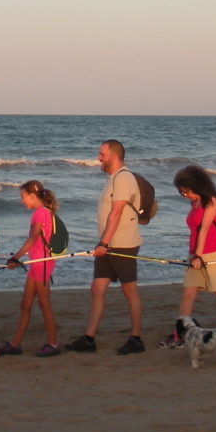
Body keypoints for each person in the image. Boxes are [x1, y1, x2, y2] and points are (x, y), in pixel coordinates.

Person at [66, 139, 145, 355]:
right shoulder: (113, 178)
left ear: (114, 156)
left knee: (130, 291)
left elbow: (117, 212)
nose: (98, 158)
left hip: (122, 245)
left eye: (101, 154)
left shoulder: (124, 177)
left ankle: (136, 338)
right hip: (108, 245)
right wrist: (104, 243)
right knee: (97, 288)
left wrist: (104, 242)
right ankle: (89, 338)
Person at [159, 165, 216, 346]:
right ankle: (179, 334)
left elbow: (204, 230)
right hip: (195, 255)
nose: (185, 196)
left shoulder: (212, 201)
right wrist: (193, 255)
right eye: (181, 193)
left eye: (186, 192)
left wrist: (198, 256)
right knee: (188, 294)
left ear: (197, 186)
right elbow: (194, 232)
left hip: (212, 255)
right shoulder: (194, 203)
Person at [0, 180, 62, 357]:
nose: (22, 201)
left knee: (44, 304)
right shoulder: (41, 213)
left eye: (23, 197)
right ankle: (15, 344)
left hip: (42, 264)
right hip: (36, 264)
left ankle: (53, 344)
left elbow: (33, 239)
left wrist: (15, 258)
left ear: (33, 196)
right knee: (25, 304)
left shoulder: (41, 214)